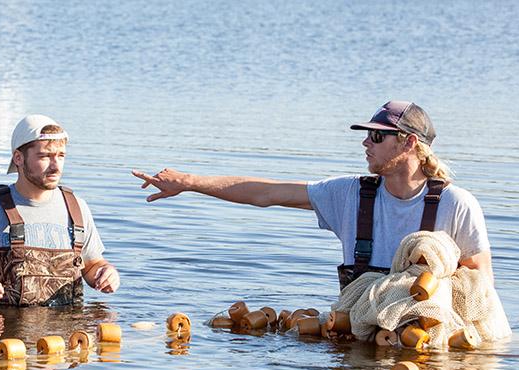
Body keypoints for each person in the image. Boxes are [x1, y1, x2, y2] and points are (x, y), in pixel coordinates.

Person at [133, 101, 493, 290]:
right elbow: (266, 193)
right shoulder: (350, 194)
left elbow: (480, 288)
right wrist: (189, 182)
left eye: (377, 136)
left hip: (425, 351)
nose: (365, 143)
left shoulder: (456, 205)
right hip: (359, 341)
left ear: (409, 143)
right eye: (367, 135)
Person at [0, 114, 119, 306]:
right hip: (3, 324)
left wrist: (107, 273)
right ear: (18, 158)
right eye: (44, 156)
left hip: (68, 325)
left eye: (61, 156)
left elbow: (92, 265)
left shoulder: (77, 208)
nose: (56, 166)